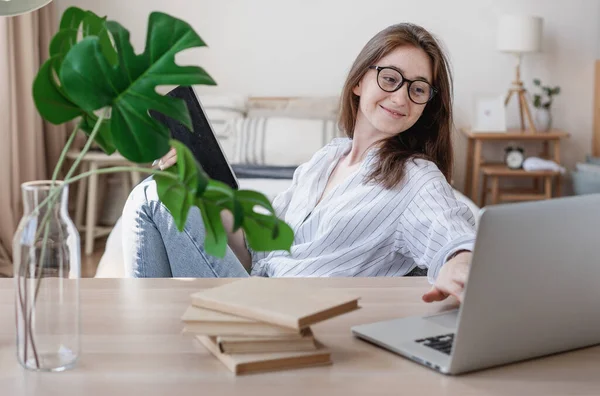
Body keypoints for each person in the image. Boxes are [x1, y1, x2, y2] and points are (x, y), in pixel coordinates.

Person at [122, 23, 476, 304]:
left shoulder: (416, 178)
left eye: (417, 89)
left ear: (427, 103)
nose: (400, 96)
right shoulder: (326, 159)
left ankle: (148, 343)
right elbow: (254, 249)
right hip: (252, 287)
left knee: (152, 197)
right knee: (158, 192)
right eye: (390, 78)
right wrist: (198, 190)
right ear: (359, 82)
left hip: (287, 312)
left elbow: (455, 235)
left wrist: (459, 263)